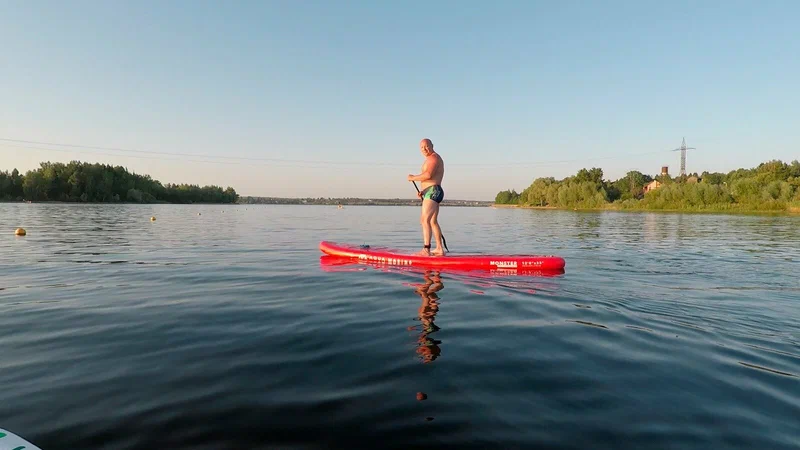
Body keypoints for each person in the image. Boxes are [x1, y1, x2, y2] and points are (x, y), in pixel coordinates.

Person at [407, 138, 446, 256]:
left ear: (432, 145)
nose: (424, 149)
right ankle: (439, 248)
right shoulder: (431, 159)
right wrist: (423, 191)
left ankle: (426, 249)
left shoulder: (433, 158)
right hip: (432, 191)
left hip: (433, 191)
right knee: (433, 221)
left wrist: (413, 177)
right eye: (422, 147)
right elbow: (431, 178)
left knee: (424, 220)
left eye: (426, 146)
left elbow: (428, 175)